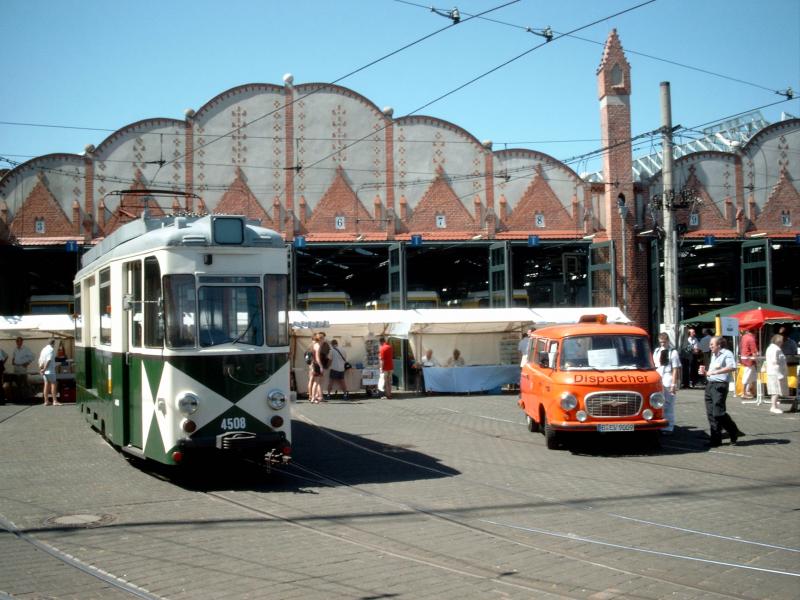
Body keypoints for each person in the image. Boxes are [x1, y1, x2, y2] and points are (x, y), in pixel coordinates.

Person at [702, 336, 744, 447]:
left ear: (719, 345)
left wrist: (716, 372)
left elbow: (732, 367)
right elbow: (711, 371)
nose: (710, 346)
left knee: (718, 413)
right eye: (710, 344)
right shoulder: (713, 355)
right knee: (711, 414)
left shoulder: (727, 353)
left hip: (719, 386)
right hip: (710, 385)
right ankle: (715, 440)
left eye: (712, 344)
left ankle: (733, 431)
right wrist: (705, 372)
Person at [653, 332, 681, 434]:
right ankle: (661, 425)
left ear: (668, 341)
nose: (662, 344)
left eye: (664, 342)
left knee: (669, 404)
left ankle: (669, 427)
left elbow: (675, 369)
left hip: (668, 378)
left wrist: (674, 384)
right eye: (661, 342)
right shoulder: (657, 351)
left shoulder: (673, 352)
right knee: (659, 404)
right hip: (658, 378)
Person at [765, 334, 788, 414]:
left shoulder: (770, 348)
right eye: (781, 341)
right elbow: (775, 361)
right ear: (778, 341)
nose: (782, 343)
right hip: (776, 372)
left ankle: (774, 406)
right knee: (776, 391)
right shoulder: (776, 349)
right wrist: (780, 373)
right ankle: (773, 407)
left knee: (775, 390)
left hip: (773, 372)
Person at [38, 339, 61, 406]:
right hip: (50, 370)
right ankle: (55, 401)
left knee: (46, 384)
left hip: (44, 371)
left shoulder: (44, 349)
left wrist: (41, 369)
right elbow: (49, 360)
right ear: (53, 343)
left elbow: (40, 360)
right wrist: (44, 369)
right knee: (54, 384)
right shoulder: (51, 349)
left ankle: (46, 401)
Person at [739, 328, 758, 399]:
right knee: (747, 376)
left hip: (744, 357)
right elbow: (754, 351)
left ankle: (753, 391)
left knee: (753, 376)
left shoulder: (744, 336)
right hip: (749, 359)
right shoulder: (751, 338)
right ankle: (743, 392)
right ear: (755, 331)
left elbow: (741, 347)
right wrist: (756, 358)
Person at [308, 332, 325, 404]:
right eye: (323, 339)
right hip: (317, 365)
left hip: (314, 364)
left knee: (315, 382)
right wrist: (321, 366)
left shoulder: (313, 345)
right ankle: (313, 397)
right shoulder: (318, 346)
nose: (324, 340)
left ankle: (313, 397)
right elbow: (317, 358)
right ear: (320, 339)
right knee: (316, 382)